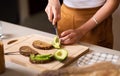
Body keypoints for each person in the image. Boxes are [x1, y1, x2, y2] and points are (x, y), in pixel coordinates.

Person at [45, 0, 120, 49]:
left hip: (97, 20)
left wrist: (82, 31)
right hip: (66, 16)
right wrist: (53, 1)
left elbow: (113, 2)